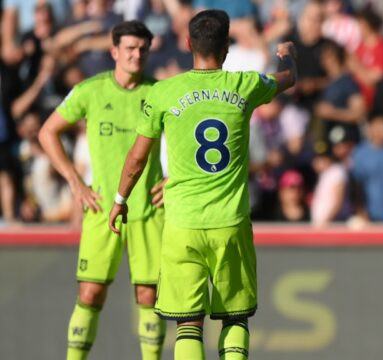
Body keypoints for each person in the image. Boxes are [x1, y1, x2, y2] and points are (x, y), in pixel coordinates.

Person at [108, 10, 297, 359]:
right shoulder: (247, 85)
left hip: (182, 223)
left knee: (188, 324)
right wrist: (287, 57)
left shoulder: (164, 93)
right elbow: (287, 79)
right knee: (235, 319)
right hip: (231, 223)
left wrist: (121, 198)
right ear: (226, 46)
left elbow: (137, 158)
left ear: (188, 43)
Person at [38, 21, 167, 360]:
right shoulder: (90, 91)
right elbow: (47, 133)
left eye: (142, 49)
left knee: (149, 296)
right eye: (129, 48)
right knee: (91, 293)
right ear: (114, 52)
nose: (136, 55)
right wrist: (74, 181)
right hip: (101, 208)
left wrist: (175, 179)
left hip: (148, 210)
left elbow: (191, 136)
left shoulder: (159, 92)